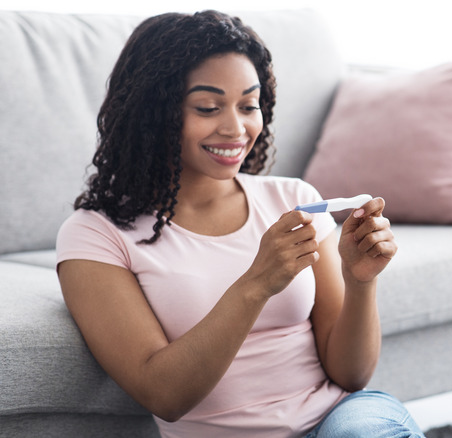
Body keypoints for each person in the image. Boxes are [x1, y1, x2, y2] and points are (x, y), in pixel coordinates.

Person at [55, 10, 424, 438]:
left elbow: (351, 376)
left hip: (341, 422)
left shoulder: (294, 200)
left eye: (249, 105)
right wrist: (256, 284)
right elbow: (164, 396)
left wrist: (360, 282)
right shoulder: (96, 234)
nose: (236, 128)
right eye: (208, 107)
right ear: (153, 114)